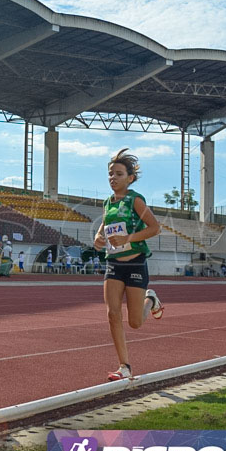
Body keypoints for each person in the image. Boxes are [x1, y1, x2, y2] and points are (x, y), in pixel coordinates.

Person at [93, 148, 164, 382]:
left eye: (119, 174)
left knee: (134, 322)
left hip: (135, 263)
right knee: (113, 314)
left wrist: (129, 239)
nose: (113, 178)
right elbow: (103, 227)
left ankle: (150, 300)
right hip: (113, 264)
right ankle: (124, 366)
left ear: (130, 178)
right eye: (111, 174)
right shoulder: (107, 203)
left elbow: (154, 228)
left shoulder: (135, 200)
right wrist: (98, 238)